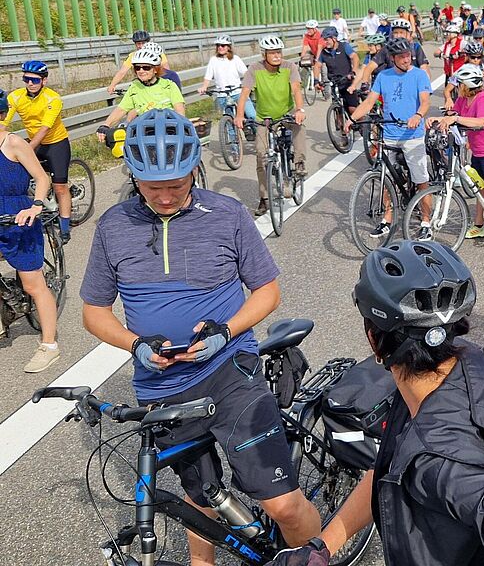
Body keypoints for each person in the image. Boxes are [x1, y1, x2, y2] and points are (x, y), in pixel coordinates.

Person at [80, 109, 324, 566]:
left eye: (177, 184)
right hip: (163, 388)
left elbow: (268, 291)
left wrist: (225, 331)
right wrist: (135, 344)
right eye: (154, 188)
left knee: (283, 504)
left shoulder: (226, 214)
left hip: (229, 370)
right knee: (200, 499)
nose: (168, 196)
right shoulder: (114, 226)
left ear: (195, 168)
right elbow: (94, 311)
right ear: (133, 177)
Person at [267, 239, 484, 565]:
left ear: (374, 340)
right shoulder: (464, 366)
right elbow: (389, 466)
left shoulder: (439, 462)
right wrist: (323, 547)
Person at [351, 38, 432, 240]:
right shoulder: (383, 76)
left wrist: (418, 116)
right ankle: (386, 219)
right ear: (393, 58)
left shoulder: (419, 75)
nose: (407, 59)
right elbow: (370, 102)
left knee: (421, 180)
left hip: (412, 135)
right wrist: (352, 119)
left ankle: (426, 222)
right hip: (389, 135)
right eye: (402, 56)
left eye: (408, 55)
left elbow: (425, 102)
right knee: (386, 180)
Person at [432, 66, 484, 257]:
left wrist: (455, 118)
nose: (457, 87)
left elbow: (481, 122)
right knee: (480, 189)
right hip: (477, 152)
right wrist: (438, 119)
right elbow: (453, 115)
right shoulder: (463, 99)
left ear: (468, 84)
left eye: (459, 84)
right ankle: (479, 225)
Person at [0, 108, 59, 372]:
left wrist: (35, 206)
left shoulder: (13, 143)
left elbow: (42, 178)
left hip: (18, 216)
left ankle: (49, 345)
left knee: (33, 284)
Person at [0, 61, 74, 244]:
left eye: (34, 79)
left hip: (55, 143)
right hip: (33, 142)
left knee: (59, 187)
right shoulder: (16, 97)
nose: (30, 83)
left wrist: (27, 150)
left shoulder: (53, 99)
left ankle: (65, 227)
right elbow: (3, 122)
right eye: (26, 79)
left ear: (44, 80)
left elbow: (44, 129)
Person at [235, 35, 307, 216]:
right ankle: (264, 198)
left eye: (279, 52)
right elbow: (244, 94)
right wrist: (238, 116)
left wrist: (299, 110)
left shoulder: (289, 67)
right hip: (264, 117)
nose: (277, 56)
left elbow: (296, 89)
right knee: (261, 155)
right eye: (272, 53)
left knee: (299, 128)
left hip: (287, 112)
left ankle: (298, 164)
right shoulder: (254, 69)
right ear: (264, 54)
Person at [98, 49, 185, 144]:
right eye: (137, 68)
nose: (141, 71)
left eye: (146, 68)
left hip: (169, 133)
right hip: (144, 134)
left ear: (155, 69)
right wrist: (106, 125)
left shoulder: (169, 85)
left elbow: (180, 112)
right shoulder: (135, 87)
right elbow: (121, 109)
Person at [197, 34, 256, 126]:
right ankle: (231, 140)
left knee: (251, 115)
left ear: (228, 47)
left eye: (223, 45)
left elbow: (246, 74)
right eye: (218, 45)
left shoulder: (235, 59)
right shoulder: (213, 60)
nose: (220, 47)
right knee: (228, 121)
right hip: (222, 94)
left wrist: (248, 84)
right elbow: (208, 76)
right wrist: (204, 87)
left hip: (237, 93)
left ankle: (258, 134)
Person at [314, 27, 360, 133]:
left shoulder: (344, 47)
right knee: (337, 109)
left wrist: (353, 72)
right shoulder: (324, 52)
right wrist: (316, 80)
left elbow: (355, 57)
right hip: (335, 83)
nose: (325, 42)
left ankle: (364, 128)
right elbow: (317, 66)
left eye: (327, 39)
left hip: (347, 81)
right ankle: (343, 133)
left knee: (352, 109)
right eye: (324, 40)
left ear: (334, 38)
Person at [107, 30, 170, 94]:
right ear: (135, 44)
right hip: (143, 86)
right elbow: (122, 72)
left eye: (143, 43)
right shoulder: (133, 56)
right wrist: (112, 85)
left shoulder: (158, 54)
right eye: (138, 44)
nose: (141, 46)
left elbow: (167, 71)